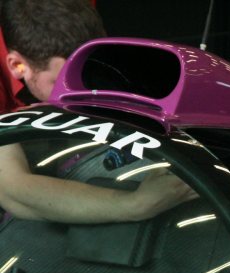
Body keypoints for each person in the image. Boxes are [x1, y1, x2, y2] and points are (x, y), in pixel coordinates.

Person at [0, 0, 195, 224]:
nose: (80, 92)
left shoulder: (75, 14)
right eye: (61, 82)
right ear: (16, 65)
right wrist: (137, 204)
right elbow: (13, 190)